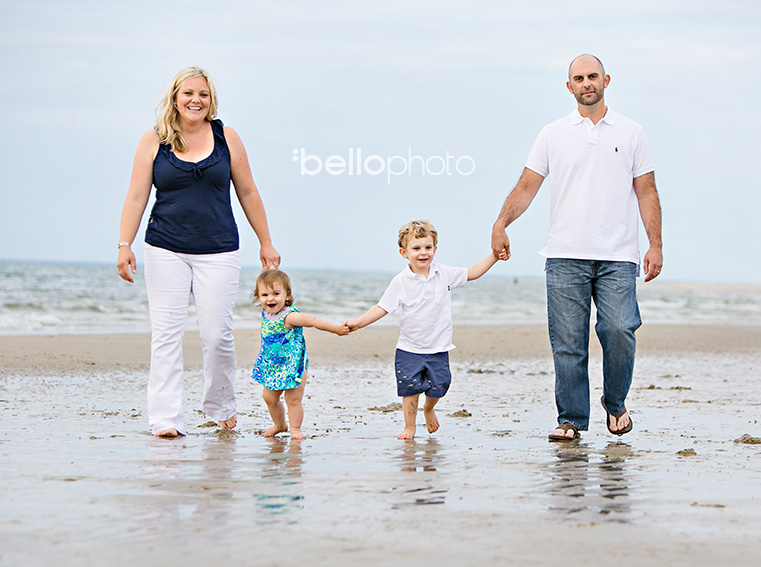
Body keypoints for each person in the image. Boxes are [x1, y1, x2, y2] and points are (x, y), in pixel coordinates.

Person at [490, 54, 663, 442]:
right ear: (569, 87)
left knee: (620, 329)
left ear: (606, 80)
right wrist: (501, 223)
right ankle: (571, 419)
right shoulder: (552, 133)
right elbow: (526, 186)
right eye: (578, 78)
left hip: (618, 255)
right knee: (568, 342)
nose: (587, 83)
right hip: (565, 254)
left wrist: (656, 244)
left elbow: (647, 190)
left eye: (593, 76)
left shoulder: (632, 132)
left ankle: (615, 403)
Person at [116, 67, 280, 438]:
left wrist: (265, 242)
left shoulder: (227, 137)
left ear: (211, 100)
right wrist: (124, 244)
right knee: (166, 335)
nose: (195, 100)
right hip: (164, 247)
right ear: (175, 97)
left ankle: (220, 404)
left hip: (219, 248)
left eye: (203, 95)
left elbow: (248, 192)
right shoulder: (153, 140)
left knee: (217, 334)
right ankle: (166, 420)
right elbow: (137, 195)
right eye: (188, 93)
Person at [345, 220, 500, 440]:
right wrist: (358, 323)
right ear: (404, 252)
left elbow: (473, 272)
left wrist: (494, 255)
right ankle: (410, 427)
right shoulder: (401, 281)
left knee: (440, 386)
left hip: (439, 347)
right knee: (410, 390)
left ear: (435, 249)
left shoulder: (443, 273)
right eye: (416, 248)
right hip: (409, 348)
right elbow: (383, 307)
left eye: (427, 248)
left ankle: (428, 408)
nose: (423, 253)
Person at [250, 269, 349, 439]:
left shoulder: (290, 317)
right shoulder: (266, 312)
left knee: (293, 398)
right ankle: (280, 424)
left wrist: (336, 329)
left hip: (293, 364)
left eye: (276, 293)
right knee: (269, 397)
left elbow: (314, 321)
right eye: (265, 294)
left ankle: (295, 429)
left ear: (287, 295)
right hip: (273, 364)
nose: (270, 298)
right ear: (258, 297)